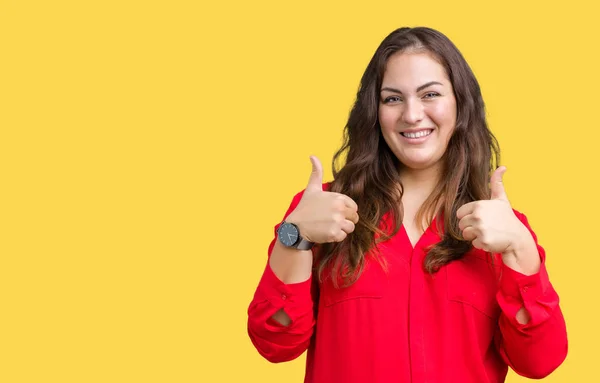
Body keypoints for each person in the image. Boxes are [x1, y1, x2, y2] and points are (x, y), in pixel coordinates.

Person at [246, 26, 568, 383]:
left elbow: (539, 362)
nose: (412, 115)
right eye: (392, 98)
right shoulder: (323, 211)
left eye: (430, 94)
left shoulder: (504, 228)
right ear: (374, 111)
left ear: (461, 103)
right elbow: (274, 343)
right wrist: (296, 236)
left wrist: (521, 251)